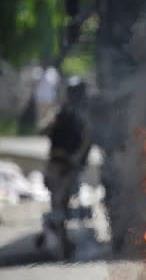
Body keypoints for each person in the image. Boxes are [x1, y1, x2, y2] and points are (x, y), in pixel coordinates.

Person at [40, 76, 92, 259]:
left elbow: (86, 139)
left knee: (61, 205)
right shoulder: (62, 113)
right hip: (58, 165)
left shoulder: (79, 115)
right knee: (59, 205)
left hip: (67, 166)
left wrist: (77, 158)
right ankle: (61, 243)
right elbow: (44, 130)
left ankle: (62, 242)